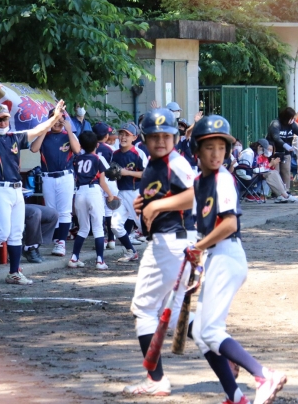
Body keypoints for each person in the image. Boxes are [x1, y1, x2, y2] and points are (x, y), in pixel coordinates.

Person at [188, 115, 287, 404]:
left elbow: (229, 224)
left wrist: (197, 249)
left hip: (227, 255)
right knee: (202, 333)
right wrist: (196, 261)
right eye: (209, 147)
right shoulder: (199, 182)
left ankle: (263, 375)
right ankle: (235, 397)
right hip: (215, 257)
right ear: (197, 150)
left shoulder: (222, 179)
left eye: (222, 147)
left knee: (210, 331)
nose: (216, 153)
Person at [122, 109, 196, 397]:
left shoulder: (175, 162)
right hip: (174, 242)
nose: (161, 141)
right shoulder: (154, 164)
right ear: (145, 139)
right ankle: (224, 350)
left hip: (170, 243)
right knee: (176, 314)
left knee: (143, 309)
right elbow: (160, 199)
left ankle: (156, 380)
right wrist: (144, 204)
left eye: (167, 136)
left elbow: (196, 194)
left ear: (176, 138)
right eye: (155, 136)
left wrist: (156, 205)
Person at [0, 79, 65, 284]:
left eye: (4, 119)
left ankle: (14, 272)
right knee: (2, 232)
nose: (2, 122)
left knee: (16, 234)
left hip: (17, 190)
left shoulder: (15, 137)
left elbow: (38, 129)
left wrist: (55, 117)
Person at [30, 108, 81, 256]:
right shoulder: (44, 135)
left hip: (65, 176)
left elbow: (77, 150)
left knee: (65, 211)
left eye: (60, 118)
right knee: (51, 211)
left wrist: (69, 130)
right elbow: (34, 149)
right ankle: (55, 239)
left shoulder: (68, 135)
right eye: (54, 119)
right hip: (48, 176)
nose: (58, 122)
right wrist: (45, 129)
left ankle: (61, 242)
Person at [70, 131, 116, 270]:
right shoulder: (98, 158)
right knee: (98, 228)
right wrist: (110, 194)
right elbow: (102, 182)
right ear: (96, 144)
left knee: (83, 228)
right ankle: (100, 261)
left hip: (79, 192)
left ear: (81, 145)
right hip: (93, 191)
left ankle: (74, 258)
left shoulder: (77, 158)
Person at [111, 122, 146, 262]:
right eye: (121, 134)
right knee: (115, 225)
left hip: (136, 193)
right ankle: (131, 251)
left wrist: (127, 173)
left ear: (134, 137)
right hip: (122, 192)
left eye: (127, 134)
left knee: (145, 227)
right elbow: (113, 173)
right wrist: (112, 174)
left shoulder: (138, 153)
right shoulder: (115, 154)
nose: (123, 137)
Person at [267, 107, 298, 191]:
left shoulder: (292, 124)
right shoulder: (276, 124)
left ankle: (286, 190)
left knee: (286, 172)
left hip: (286, 152)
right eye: (291, 118)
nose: (292, 120)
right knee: (276, 172)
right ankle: (277, 191)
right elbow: (276, 137)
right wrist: (285, 145)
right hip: (275, 151)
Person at [93, 122, 118, 249]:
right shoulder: (110, 149)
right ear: (106, 136)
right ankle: (111, 239)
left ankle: (101, 239)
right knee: (110, 210)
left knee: (100, 211)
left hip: (96, 181)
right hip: (109, 180)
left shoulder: (90, 147)